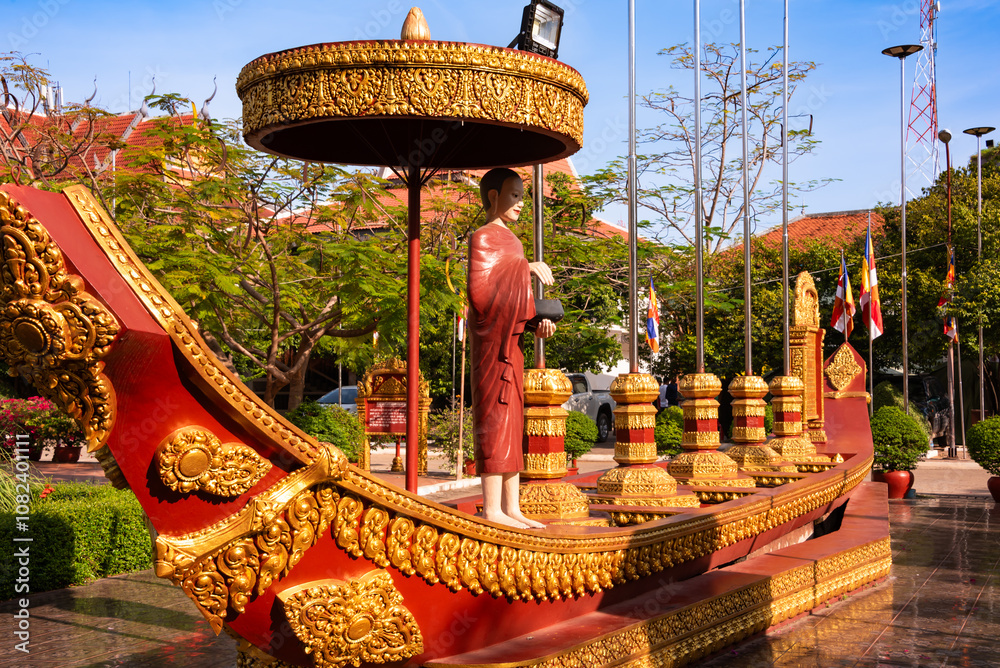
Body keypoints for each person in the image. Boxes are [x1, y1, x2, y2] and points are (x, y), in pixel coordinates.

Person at [468, 168, 555, 529]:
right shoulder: (482, 238)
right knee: (494, 419)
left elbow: (517, 303)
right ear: (493, 197)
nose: (520, 203)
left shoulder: (514, 243)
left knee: (512, 421)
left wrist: (536, 323)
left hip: (513, 346)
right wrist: (524, 269)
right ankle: (492, 508)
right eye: (514, 195)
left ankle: (512, 506)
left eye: (522, 196)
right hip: (492, 347)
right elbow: (481, 295)